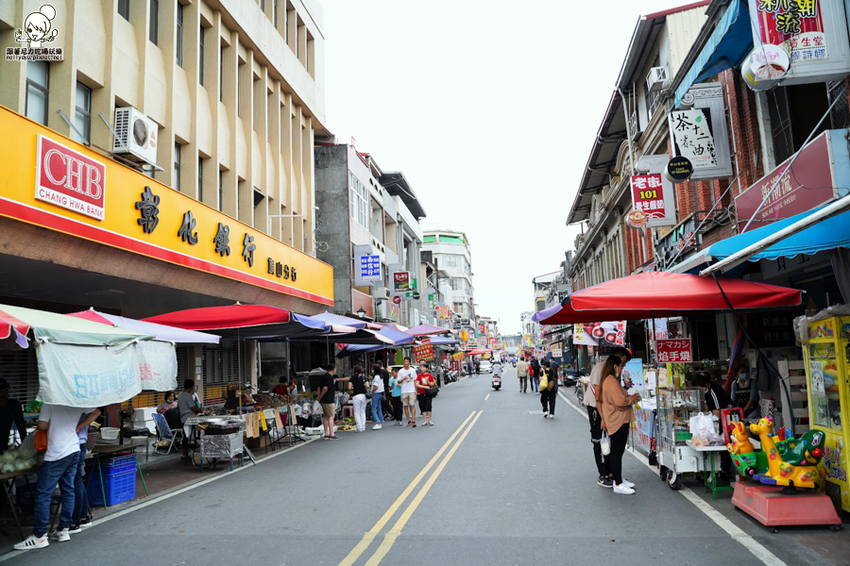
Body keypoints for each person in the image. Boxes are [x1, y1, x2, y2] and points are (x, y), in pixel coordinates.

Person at [14, 404, 96, 550]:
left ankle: (39, 536)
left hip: (56, 453)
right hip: (74, 449)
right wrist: (77, 427)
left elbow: (42, 425)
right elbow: (96, 412)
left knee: (43, 494)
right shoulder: (73, 400)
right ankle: (63, 530)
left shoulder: (49, 403)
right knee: (68, 490)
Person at [584, 347, 631, 488]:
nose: (623, 366)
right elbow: (598, 397)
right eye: (623, 363)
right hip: (596, 408)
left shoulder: (614, 371)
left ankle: (612, 473)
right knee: (599, 440)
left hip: (608, 409)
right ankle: (602, 474)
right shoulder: (599, 369)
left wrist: (625, 388)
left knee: (611, 439)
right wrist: (603, 418)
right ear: (617, 357)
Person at [597, 355, 640, 495]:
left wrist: (626, 390)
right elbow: (620, 402)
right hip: (617, 420)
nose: (622, 368)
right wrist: (632, 399)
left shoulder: (610, 381)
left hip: (616, 419)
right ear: (615, 366)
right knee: (617, 452)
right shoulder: (611, 382)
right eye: (621, 366)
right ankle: (618, 483)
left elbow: (617, 398)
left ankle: (618, 478)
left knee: (618, 451)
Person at [69, 408, 100, 533]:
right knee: (78, 481)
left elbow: (96, 412)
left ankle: (74, 522)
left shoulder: (78, 401)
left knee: (75, 482)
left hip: (75, 444)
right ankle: (83, 517)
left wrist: (78, 427)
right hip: (78, 444)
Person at [178, 379, 203, 459]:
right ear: (192, 387)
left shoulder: (180, 395)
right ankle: (195, 446)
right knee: (193, 433)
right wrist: (201, 410)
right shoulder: (188, 395)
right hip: (189, 418)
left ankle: (185, 454)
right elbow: (193, 407)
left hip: (183, 417)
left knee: (186, 436)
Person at [0, 378, 26, 454]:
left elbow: (21, 426)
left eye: (5, 392)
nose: (3, 394)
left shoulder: (14, 405)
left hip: (3, 448)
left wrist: (26, 447)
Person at [315, 364, 340, 440]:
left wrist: (319, 396)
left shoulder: (324, 376)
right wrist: (321, 396)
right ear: (334, 370)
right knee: (331, 416)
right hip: (328, 399)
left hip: (323, 400)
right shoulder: (329, 377)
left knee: (326, 416)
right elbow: (325, 388)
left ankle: (326, 433)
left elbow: (319, 387)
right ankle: (332, 434)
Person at [347, 365, 369, 432]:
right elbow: (367, 386)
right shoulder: (363, 377)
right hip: (363, 395)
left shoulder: (352, 378)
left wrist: (354, 386)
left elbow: (349, 388)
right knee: (362, 411)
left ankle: (359, 427)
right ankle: (363, 426)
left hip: (356, 396)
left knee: (357, 412)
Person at [398, 357, 418, 427]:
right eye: (405, 361)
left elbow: (415, 380)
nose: (406, 363)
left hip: (411, 390)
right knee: (405, 406)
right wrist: (404, 378)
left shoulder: (412, 370)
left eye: (407, 361)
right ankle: (409, 421)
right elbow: (398, 381)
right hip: (404, 390)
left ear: (409, 363)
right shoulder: (401, 371)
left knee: (412, 405)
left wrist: (416, 390)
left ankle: (413, 420)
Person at [370, 364, 385, 430]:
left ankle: (377, 422)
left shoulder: (376, 377)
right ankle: (381, 419)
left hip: (376, 393)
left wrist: (372, 391)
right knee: (379, 408)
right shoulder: (380, 376)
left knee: (373, 409)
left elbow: (376, 386)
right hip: (380, 393)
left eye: (372, 369)